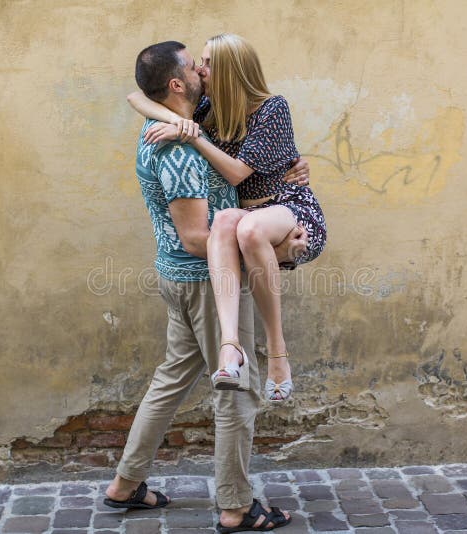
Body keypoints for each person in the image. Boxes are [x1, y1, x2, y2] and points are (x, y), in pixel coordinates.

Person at [104, 40, 301, 532]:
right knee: (236, 388)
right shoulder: (177, 150)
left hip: (180, 280)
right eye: (193, 66)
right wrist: (275, 255)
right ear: (177, 84)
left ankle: (124, 486)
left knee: (172, 378)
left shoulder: (175, 129)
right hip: (205, 284)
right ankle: (236, 507)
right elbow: (197, 238)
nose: (200, 71)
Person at [127, 33, 327, 404]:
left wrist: (192, 135)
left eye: (208, 63)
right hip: (244, 218)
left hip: (288, 208)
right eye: (198, 62)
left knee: (245, 225)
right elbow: (137, 97)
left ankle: (278, 354)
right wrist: (181, 122)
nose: (200, 70)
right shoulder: (207, 107)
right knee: (227, 223)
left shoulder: (272, 109)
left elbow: (236, 174)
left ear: (231, 72)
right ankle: (231, 346)